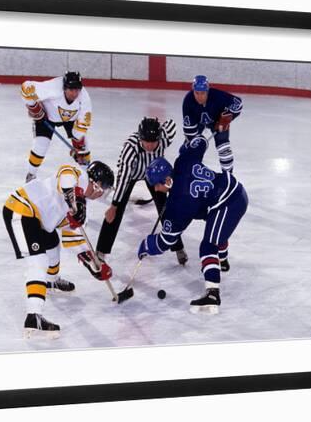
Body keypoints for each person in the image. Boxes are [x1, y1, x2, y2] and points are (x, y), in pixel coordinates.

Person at [2, 161, 115, 339]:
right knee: (38, 262)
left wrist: (94, 265)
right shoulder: (80, 177)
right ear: (97, 184)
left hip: (38, 220)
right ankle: (34, 316)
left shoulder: (82, 206)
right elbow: (65, 173)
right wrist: (76, 200)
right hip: (22, 209)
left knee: (54, 245)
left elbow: (73, 238)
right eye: (104, 189)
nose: (102, 195)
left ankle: (52, 281)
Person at [137, 135, 249, 314]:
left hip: (228, 202)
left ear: (166, 180)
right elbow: (201, 142)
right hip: (234, 189)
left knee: (208, 245)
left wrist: (146, 245)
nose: (156, 189)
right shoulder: (183, 162)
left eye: (157, 185)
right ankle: (223, 261)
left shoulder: (178, 205)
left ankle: (213, 294)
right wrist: (187, 148)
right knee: (216, 228)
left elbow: (165, 241)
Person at [96, 117, 188, 265]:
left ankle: (178, 248)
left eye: (154, 141)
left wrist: (161, 126)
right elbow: (124, 177)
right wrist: (114, 205)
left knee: (166, 209)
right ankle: (101, 251)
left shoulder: (164, 138)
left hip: (153, 173)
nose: (150, 146)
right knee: (116, 212)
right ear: (140, 138)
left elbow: (171, 124)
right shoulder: (130, 148)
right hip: (131, 173)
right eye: (147, 141)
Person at [20, 71, 93, 182]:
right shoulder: (53, 87)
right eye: (71, 90)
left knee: (83, 148)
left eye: (77, 90)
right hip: (47, 117)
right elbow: (26, 88)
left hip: (72, 120)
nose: (74, 93)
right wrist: (34, 107)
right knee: (41, 146)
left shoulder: (84, 98)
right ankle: (31, 175)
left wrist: (78, 145)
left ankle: (87, 178)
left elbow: (83, 124)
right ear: (64, 88)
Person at [182, 75, 243, 173]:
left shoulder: (217, 96)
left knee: (224, 148)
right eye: (196, 93)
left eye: (203, 93)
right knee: (190, 147)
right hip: (197, 122)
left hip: (218, 121)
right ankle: (187, 173)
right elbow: (189, 131)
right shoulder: (188, 100)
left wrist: (228, 117)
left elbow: (238, 103)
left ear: (208, 91)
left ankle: (228, 177)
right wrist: (195, 145)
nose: (199, 97)